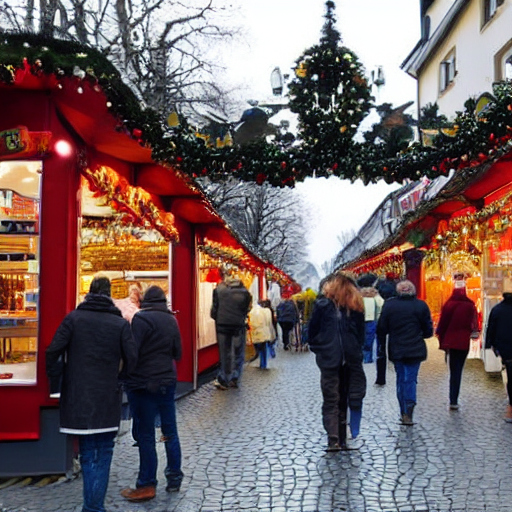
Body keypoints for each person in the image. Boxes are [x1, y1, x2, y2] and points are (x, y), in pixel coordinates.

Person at [46, 276, 133, 512]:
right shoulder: (120, 324)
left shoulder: (73, 319)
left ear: (89, 293)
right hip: (107, 397)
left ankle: (92, 507)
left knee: (87, 453)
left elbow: (52, 351)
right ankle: (94, 507)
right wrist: (121, 381)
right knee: (105, 452)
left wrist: (57, 385)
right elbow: (133, 360)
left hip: (77, 397)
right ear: (109, 295)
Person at [120, 286, 183, 502]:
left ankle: (147, 484)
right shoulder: (171, 320)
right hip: (166, 382)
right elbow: (178, 353)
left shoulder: (141, 319)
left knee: (146, 435)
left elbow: (132, 352)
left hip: (143, 385)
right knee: (169, 432)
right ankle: (174, 477)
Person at [308, 272, 366, 451]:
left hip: (331, 359)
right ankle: (341, 438)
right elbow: (361, 334)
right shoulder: (355, 305)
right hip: (348, 358)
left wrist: (321, 348)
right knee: (344, 397)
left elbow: (312, 332)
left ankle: (333, 438)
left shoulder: (322, 305)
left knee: (331, 398)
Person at [377, 279, 433, 426]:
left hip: (397, 348)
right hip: (415, 348)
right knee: (411, 379)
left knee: (401, 378)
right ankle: (409, 408)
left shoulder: (389, 305)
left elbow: (382, 328)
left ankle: (404, 411)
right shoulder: (421, 305)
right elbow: (428, 330)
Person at [436, 274, 478, 410]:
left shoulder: (449, 304)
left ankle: (452, 399)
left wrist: (441, 338)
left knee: (454, 370)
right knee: (459, 369)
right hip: (463, 341)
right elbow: (474, 324)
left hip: (450, 341)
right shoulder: (470, 305)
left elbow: (442, 325)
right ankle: (454, 398)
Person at [210, 268, 252, 390]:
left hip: (222, 325)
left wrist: (218, 318)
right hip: (238, 325)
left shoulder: (218, 290)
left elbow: (213, 311)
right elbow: (247, 309)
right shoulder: (245, 292)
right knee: (238, 352)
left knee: (225, 353)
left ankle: (224, 378)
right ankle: (235, 377)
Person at [485, 283, 512, 423]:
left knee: (510, 377)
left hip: (506, 350)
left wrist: (491, 345)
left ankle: (511, 408)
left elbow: (491, 328)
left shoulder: (497, 309)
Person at [248, 301, 276, 369]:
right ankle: (263, 364)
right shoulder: (266, 311)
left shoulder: (251, 313)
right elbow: (269, 322)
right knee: (263, 349)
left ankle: (262, 363)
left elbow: (251, 324)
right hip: (264, 333)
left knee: (259, 349)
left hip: (256, 333)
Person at [360, 285, 384, 363]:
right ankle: (368, 357)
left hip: (363, 320)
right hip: (371, 320)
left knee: (364, 339)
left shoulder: (360, 299)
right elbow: (381, 304)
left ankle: (365, 356)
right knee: (369, 339)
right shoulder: (375, 299)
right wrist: (377, 295)